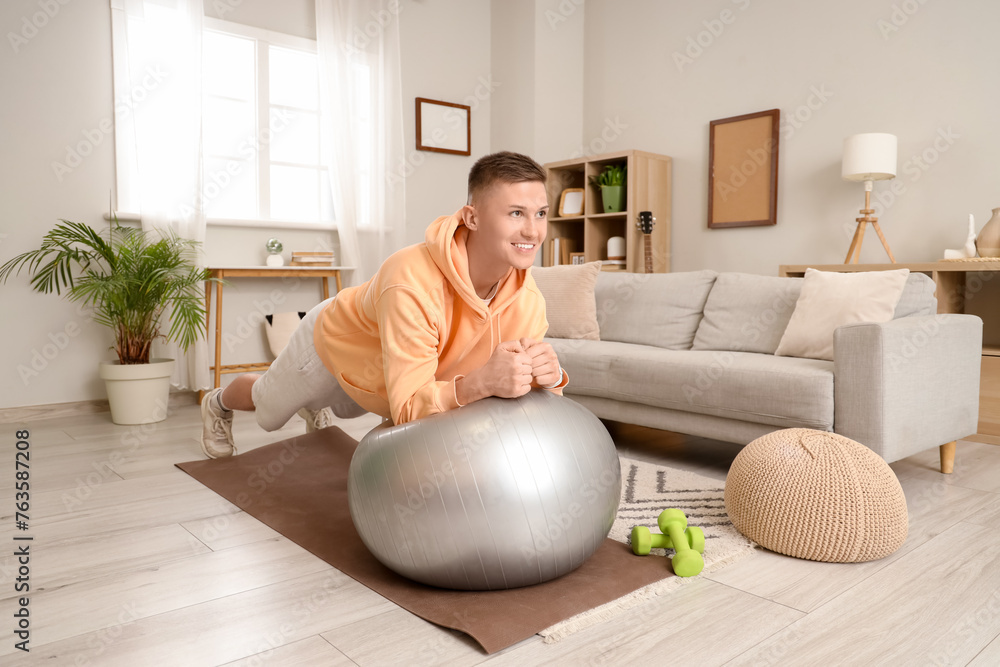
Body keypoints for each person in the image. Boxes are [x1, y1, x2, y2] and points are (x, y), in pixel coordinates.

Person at [200, 151, 568, 458]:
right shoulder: (410, 279)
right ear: (472, 217)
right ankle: (218, 402)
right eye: (516, 213)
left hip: (390, 379)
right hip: (332, 349)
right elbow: (408, 410)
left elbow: (511, 397)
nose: (534, 231)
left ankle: (314, 405)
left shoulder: (528, 298)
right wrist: (478, 383)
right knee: (267, 410)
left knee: (345, 409)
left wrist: (548, 381)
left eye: (540, 213)